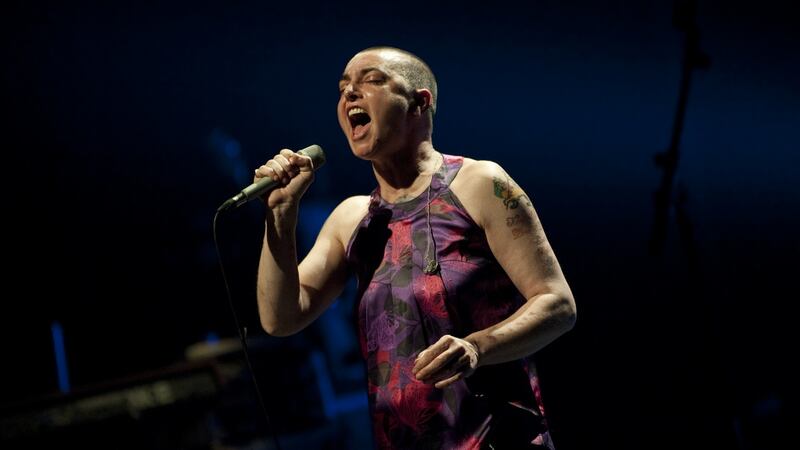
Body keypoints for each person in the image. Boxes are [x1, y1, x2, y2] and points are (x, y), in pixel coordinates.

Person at [253, 46, 576, 449]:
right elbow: (279, 318)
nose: (350, 93)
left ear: (418, 103)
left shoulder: (478, 184)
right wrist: (281, 217)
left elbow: (557, 304)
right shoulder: (353, 219)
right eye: (343, 88)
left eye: (371, 80)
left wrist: (477, 346)